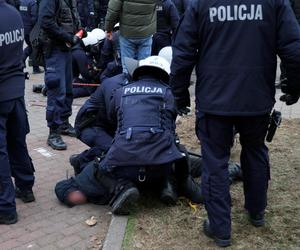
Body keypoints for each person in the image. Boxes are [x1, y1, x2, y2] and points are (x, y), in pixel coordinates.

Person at [170, 0, 300, 247]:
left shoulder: (200, 3)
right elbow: (293, 48)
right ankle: (256, 211)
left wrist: (179, 94)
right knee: (254, 150)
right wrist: (294, 86)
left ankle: (221, 229)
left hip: (216, 99)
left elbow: (183, 50)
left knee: (216, 162)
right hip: (255, 97)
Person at [56, 56, 202, 213]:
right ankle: (174, 184)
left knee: (105, 164)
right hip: (97, 130)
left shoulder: (120, 91)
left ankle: (125, 187)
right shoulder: (168, 93)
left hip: (125, 162)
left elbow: (116, 119)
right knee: (177, 153)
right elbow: (170, 127)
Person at [0, 0, 35, 224]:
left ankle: (5, 208)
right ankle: (25, 186)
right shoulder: (12, 12)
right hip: (15, 88)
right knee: (16, 139)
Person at [39, 0, 83, 150]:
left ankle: (64, 123)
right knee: (57, 90)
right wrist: (68, 37)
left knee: (68, 90)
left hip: (66, 49)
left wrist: (80, 31)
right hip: (54, 49)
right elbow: (46, 22)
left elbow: (71, 17)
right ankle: (53, 133)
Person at [104, 0, 157, 73]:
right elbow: (160, 6)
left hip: (127, 34)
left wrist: (109, 29)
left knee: (128, 68)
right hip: (146, 33)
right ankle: (143, 82)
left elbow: (113, 11)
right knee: (144, 67)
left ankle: (128, 82)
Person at [72, 29, 106, 98]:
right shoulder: (80, 53)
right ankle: (61, 93)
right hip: (69, 79)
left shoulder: (77, 48)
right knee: (90, 89)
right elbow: (87, 75)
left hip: (68, 78)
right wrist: (97, 72)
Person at [19, 0, 44, 74]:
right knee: (34, 47)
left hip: (23, 28)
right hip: (31, 29)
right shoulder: (32, 3)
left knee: (32, 47)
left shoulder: (21, 2)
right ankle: (33, 67)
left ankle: (31, 65)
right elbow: (34, 18)